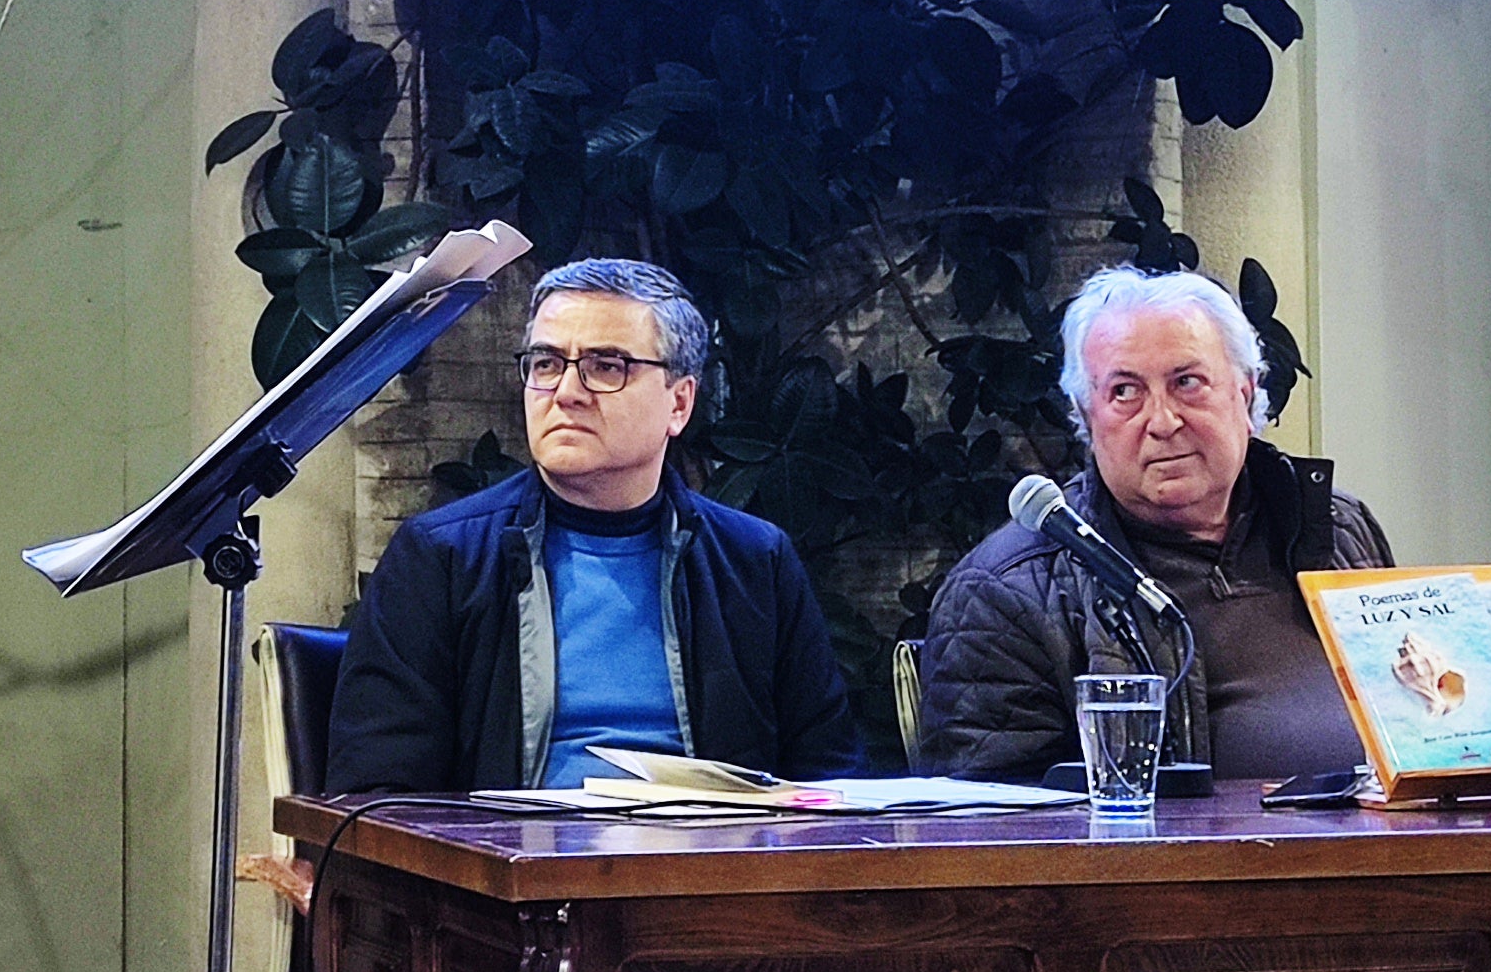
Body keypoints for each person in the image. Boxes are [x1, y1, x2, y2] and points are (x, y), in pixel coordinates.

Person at [323, 258, 864, 793]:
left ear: (679, 403)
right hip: (514, 869)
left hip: (712, 866)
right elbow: (378, 794)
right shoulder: (440, 558)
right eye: (546, 364)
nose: (566, 392)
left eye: (607, 366)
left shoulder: (755, 561)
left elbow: (828, 777)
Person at [914, 264, 1394, 783]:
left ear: (1246, 391)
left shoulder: (1337, 526)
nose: (1162, 422)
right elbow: (997, 836)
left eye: (1187, 383)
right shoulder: (1008, 593)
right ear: (1086, 413)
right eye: (1125, 392)